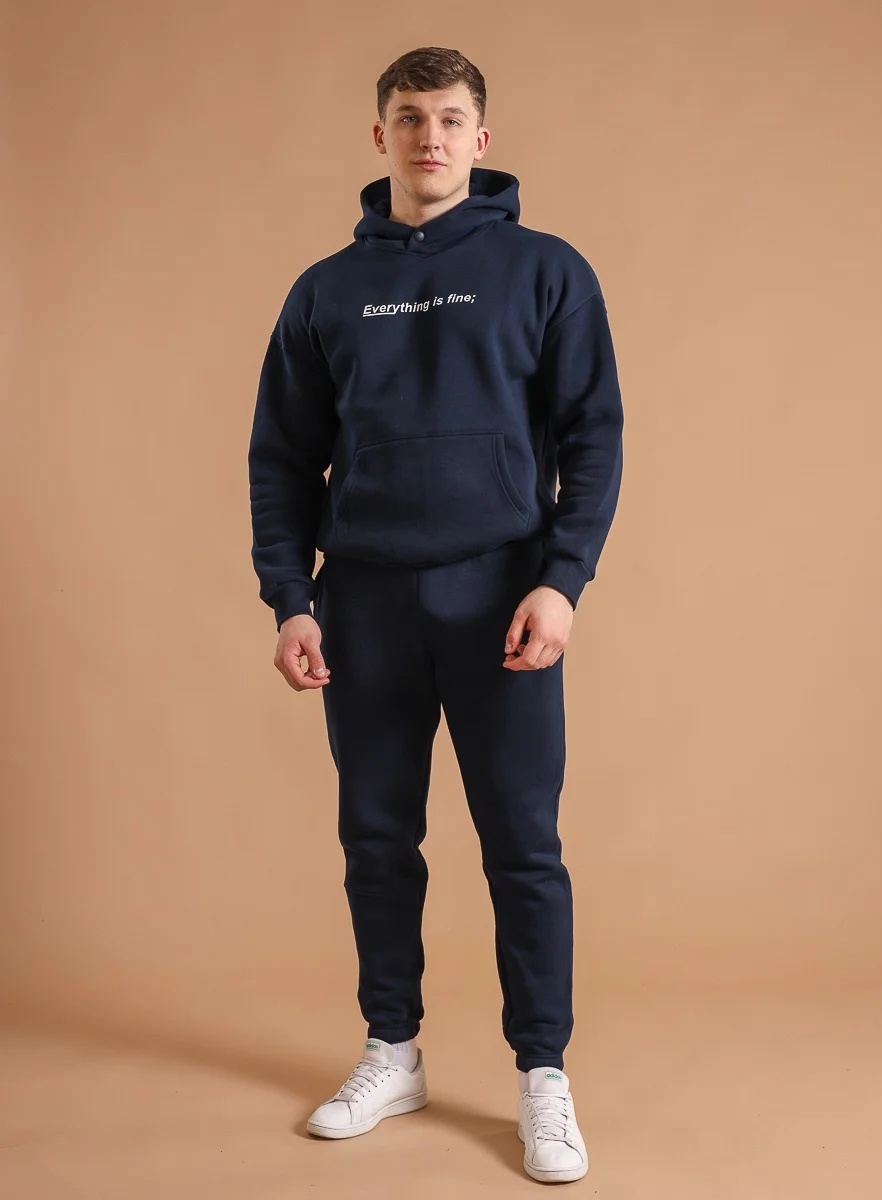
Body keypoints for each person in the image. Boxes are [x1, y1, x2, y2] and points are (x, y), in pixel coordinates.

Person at [247, 45, 624, 1185]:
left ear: (480, 138)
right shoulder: (324, 291)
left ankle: (542, 1073)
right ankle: (392, 1051)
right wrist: (291, 598)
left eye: (450, 118)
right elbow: (281, 459)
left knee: (523, 845)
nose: (429, 137)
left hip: (502, 596)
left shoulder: (545, 270)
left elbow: (594, 434)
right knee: (375, 839)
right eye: (409, 118)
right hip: (362, 602)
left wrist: (561, 579)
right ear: (381, 137)